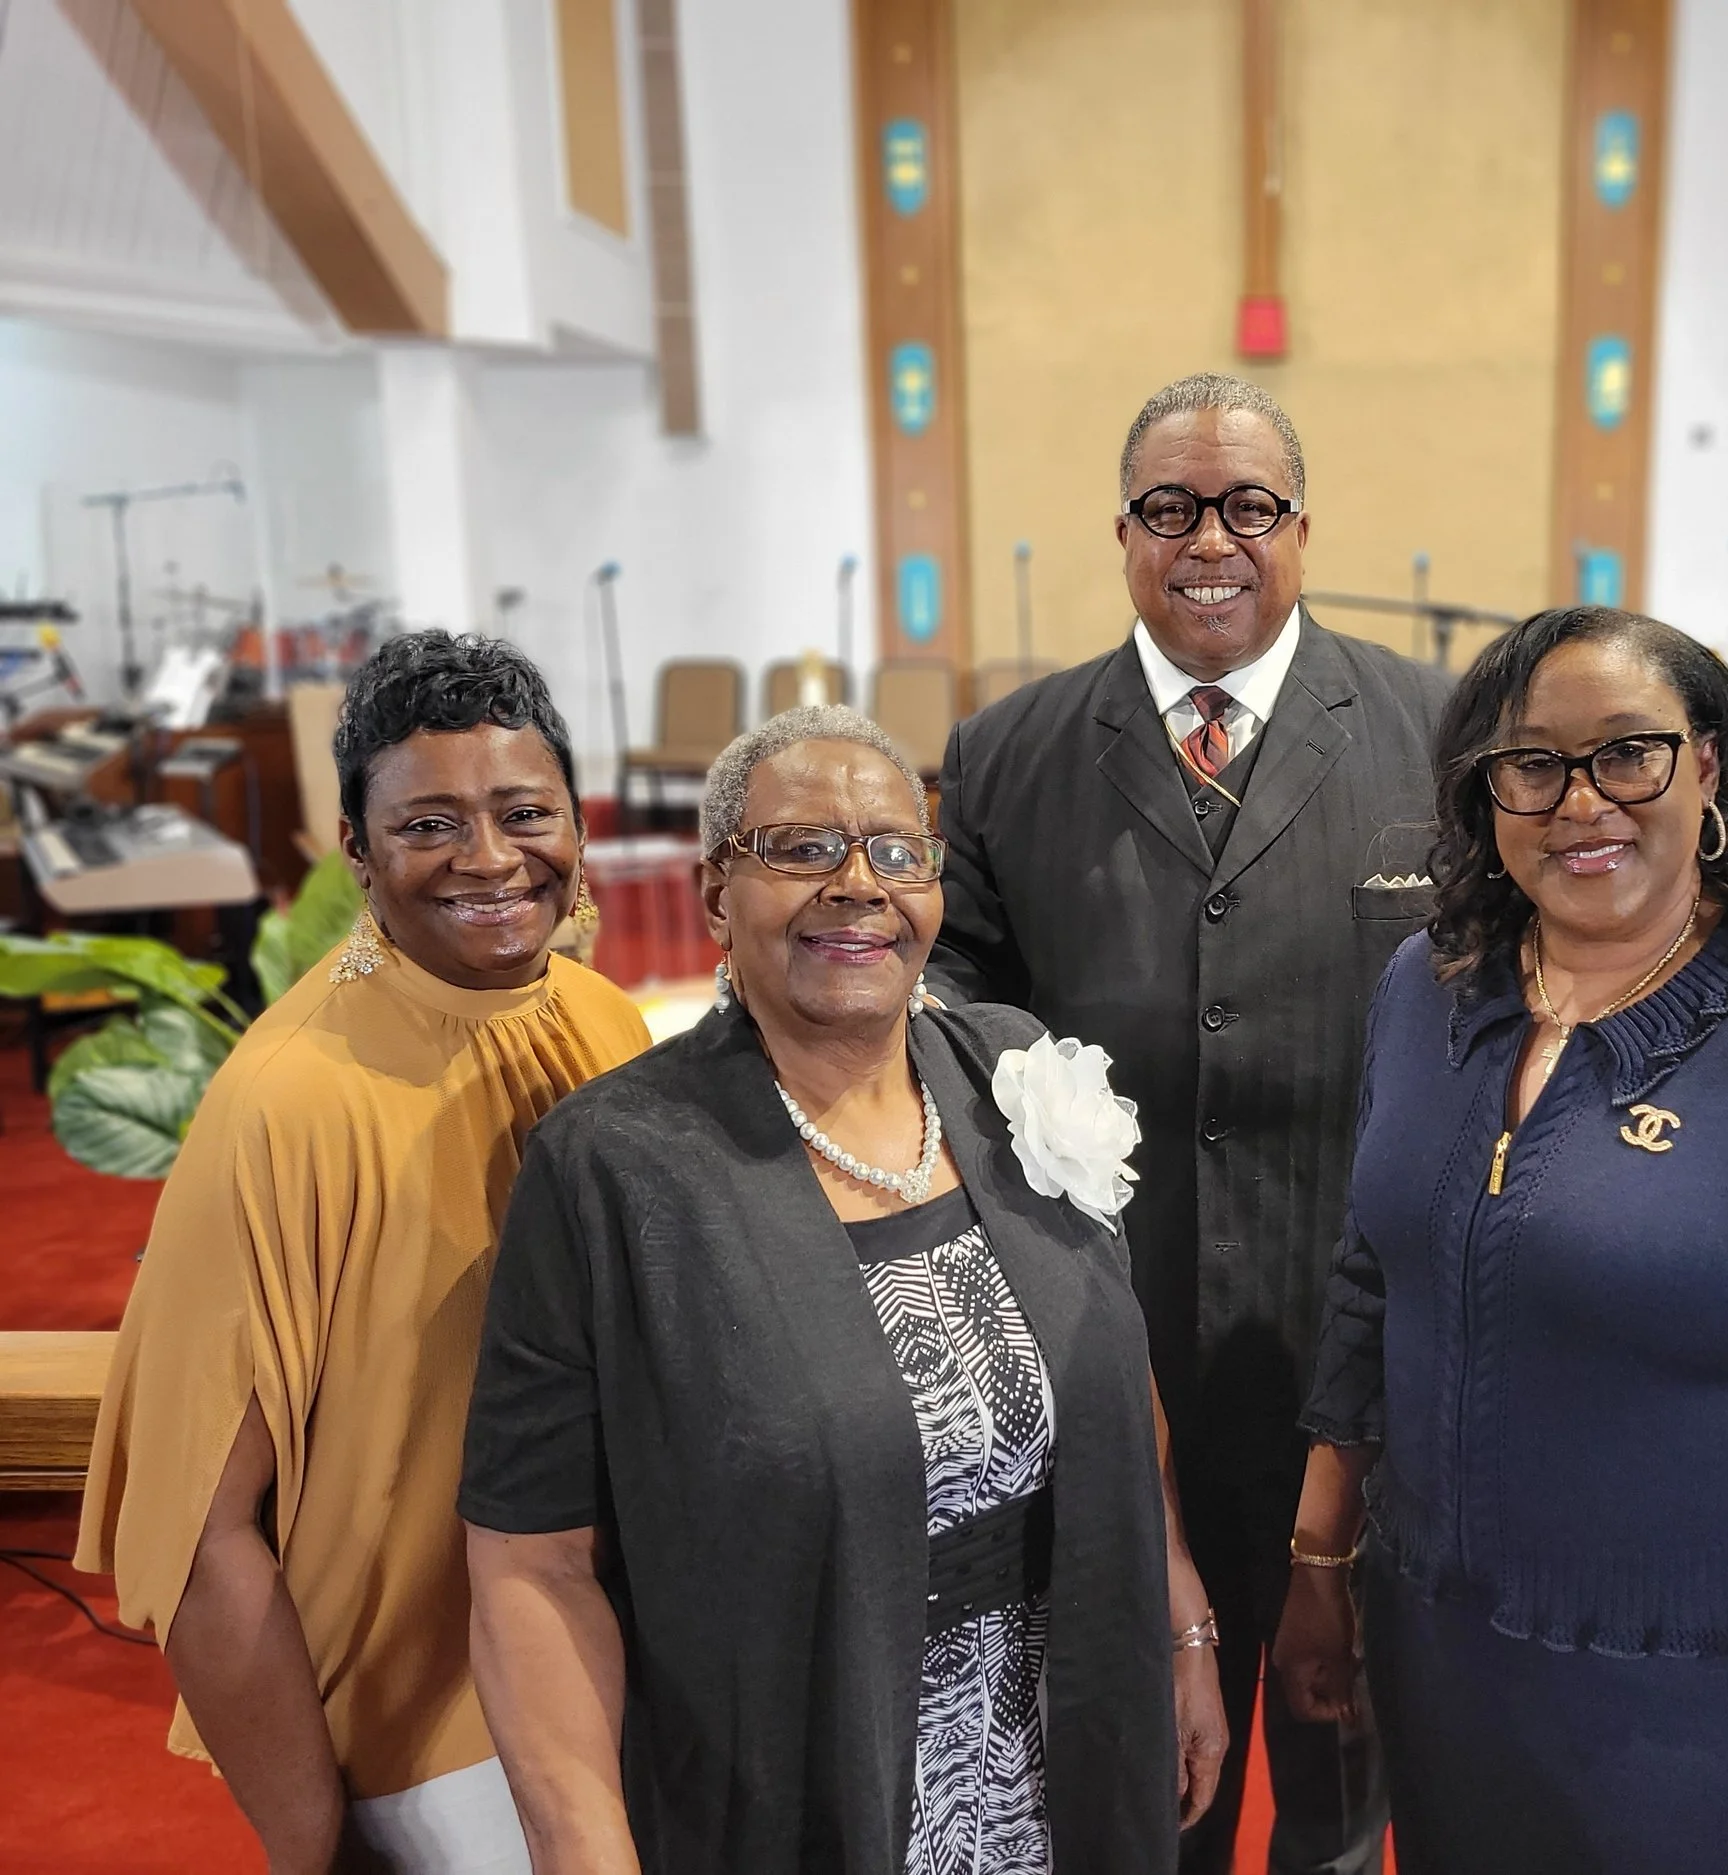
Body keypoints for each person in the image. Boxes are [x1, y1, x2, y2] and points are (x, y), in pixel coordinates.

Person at [1272, 605, 1728, 1875]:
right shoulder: (1427, 987)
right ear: (1483, 795)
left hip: (1699, 1724)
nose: (1583, 803)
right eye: (1533, 765)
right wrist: (1319, 1555)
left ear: (1711, 767)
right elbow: (1370, 1281)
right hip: (1444, 1681)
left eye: (1629, 753)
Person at [460, 705, 1224, 1873]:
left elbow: (1116, 1381)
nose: (857, 884)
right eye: (802, 849)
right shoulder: (616, 1165)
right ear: (717, 897)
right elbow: (533, 1564)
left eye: (895, 850)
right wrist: (583, 1850)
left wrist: (1179, 1626)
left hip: (1062, 1743)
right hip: (800, 1766)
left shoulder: (1007, 1071)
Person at [929, 372, 1452, 1872]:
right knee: (1150, 1781)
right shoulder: (1012, 746)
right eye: (1170, 508)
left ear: (1301, 526)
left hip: (1363, 1359)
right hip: (1112, 1356)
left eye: (1247, 506)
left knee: (1348, 1779)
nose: (1208, 538)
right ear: (1123, 531)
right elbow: (955, 985)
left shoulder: (1433, 730)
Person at [75, 631, 648, 1873]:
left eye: (522, 811)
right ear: (355, 848)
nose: (489, 858)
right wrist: (313, 1843)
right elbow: (197, 1532)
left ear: (576, 822)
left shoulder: (597, 1015)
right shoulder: (287, 1100)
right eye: (429, 823)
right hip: (430, 1746)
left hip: (618, 1669)